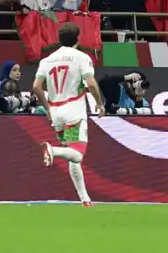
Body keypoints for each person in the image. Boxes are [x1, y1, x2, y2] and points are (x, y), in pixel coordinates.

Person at [32, 22, 106, 207]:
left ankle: (84, 199)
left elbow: (36, 87)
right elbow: (91, 83)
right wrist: (99, 103)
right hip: (74, 110)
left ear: (59, 39)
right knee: (78, 154)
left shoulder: (47, 60)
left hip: (56, 112)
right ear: (77, 39)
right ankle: (53, 150)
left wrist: (47, 108)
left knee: (71, 154)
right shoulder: (81, 57)